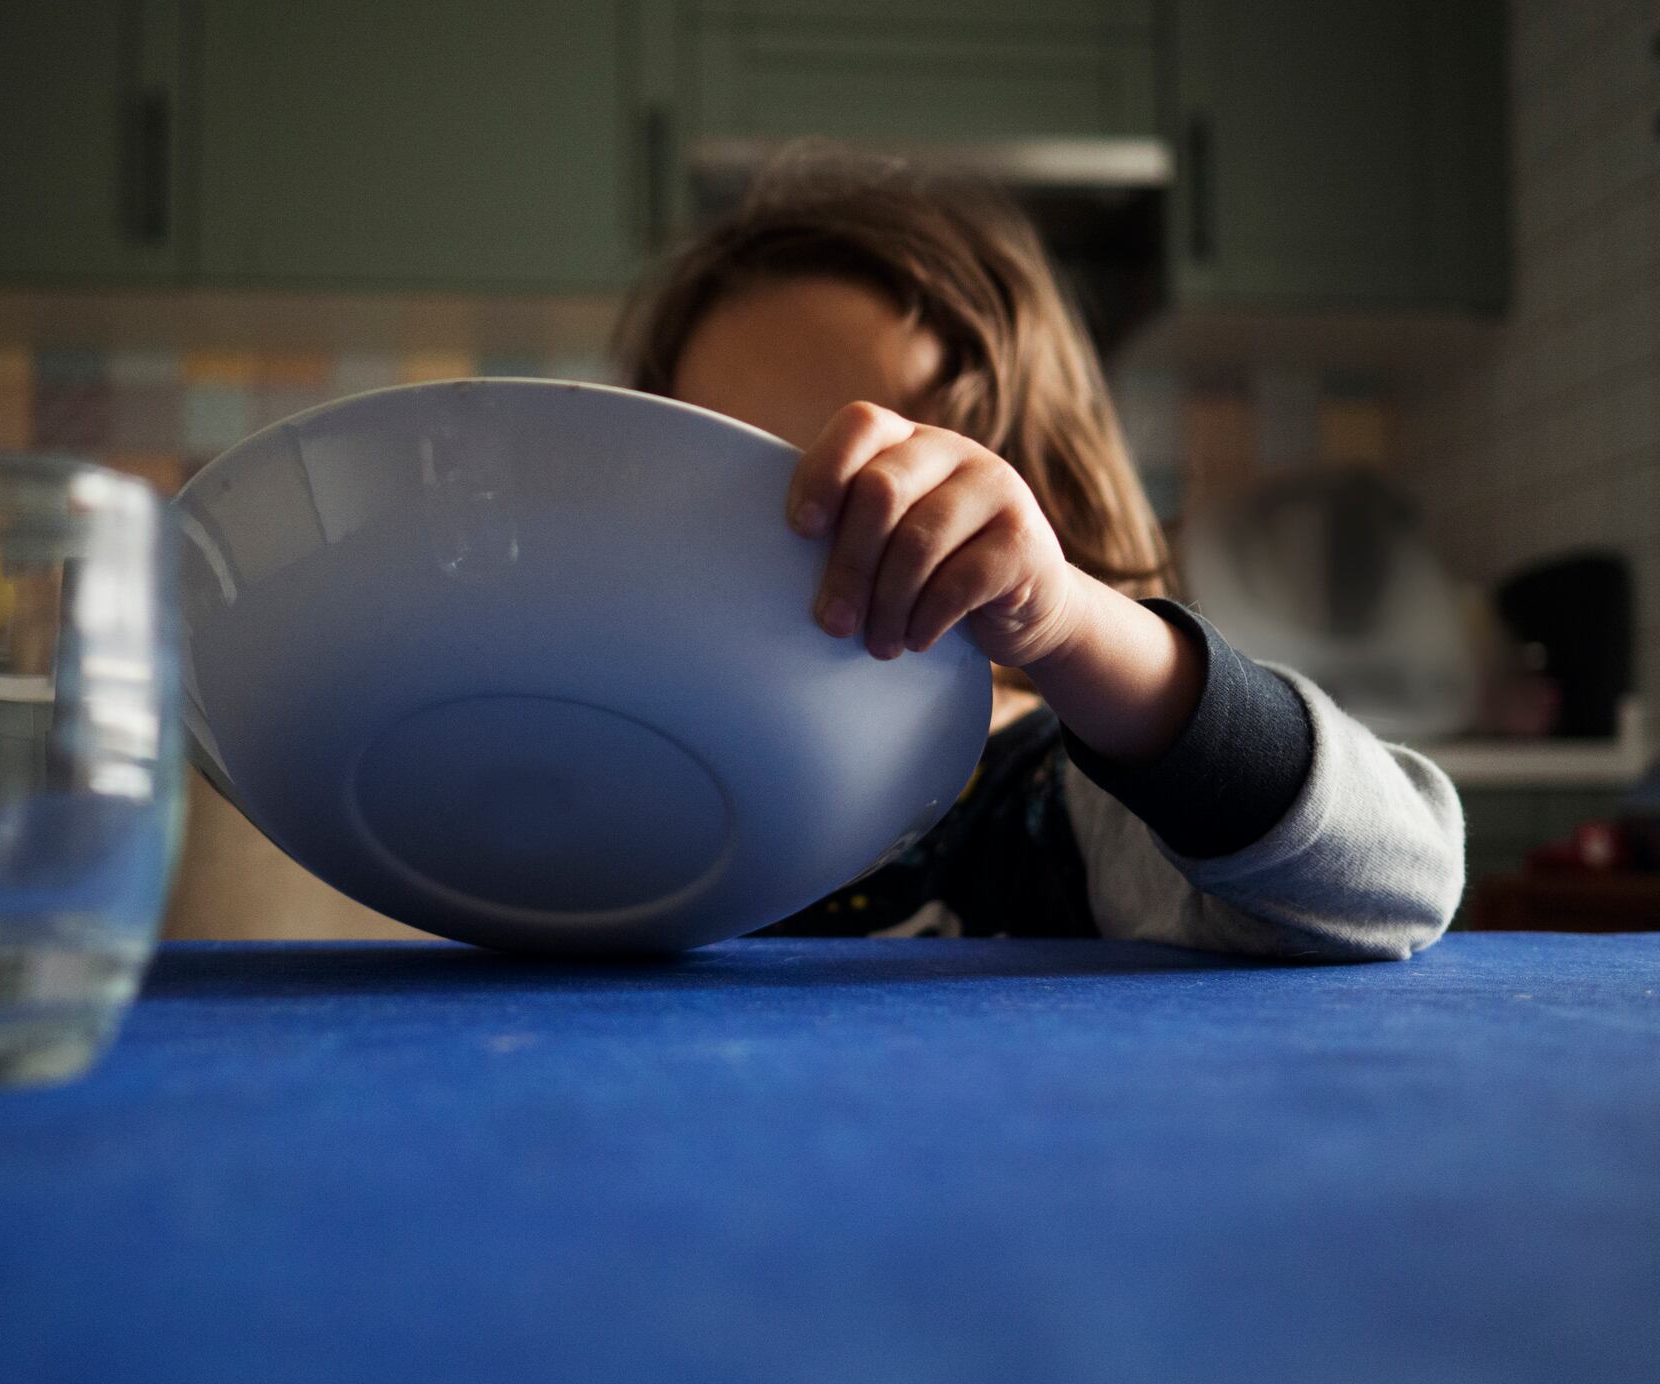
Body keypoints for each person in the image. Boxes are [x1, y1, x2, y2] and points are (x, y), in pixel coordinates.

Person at [614, 163, 1463, 956]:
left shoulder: (1065, 799)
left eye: (877, 490)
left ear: (1021, 507)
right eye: (727, 477)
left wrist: (1069, 621)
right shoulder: (632, 775)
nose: (797, 535)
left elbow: (1401, 882)